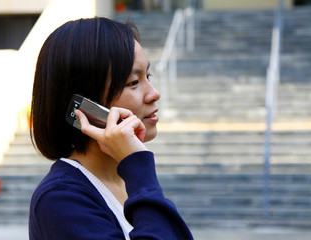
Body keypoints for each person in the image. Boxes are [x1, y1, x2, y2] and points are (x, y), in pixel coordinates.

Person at [28, 17, 194, 240]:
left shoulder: (128, 184)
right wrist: (138, 164)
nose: (154, 93)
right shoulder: (60, 198)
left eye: (148, 76)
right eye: (133, 82)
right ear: (86, 105)